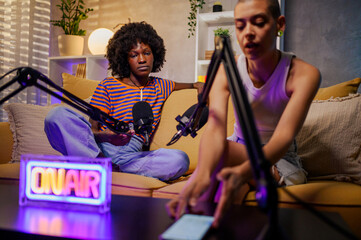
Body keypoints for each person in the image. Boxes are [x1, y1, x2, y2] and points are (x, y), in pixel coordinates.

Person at [166, 0, 321, 227]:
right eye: (240, 26)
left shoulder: (304, 74)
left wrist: (226, 172)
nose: (248, 33)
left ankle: (188, 226)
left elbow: (282, 139)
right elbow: (215, 127)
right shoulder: (226, 69)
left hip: (277, 161)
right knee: (229, 193)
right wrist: (202, 174)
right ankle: (199, 228)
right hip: (236, 149)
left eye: (258, 23)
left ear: (280, 24)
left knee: (224, 164)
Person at [44, 21, 203, 182]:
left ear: (155, 54)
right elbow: (92, 131)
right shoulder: (109, 84)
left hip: (131, 158)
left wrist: (199, 85)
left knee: (179, 159)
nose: (142, 59)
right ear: (125, 59)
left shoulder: (161, 85)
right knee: (57, 115)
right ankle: (99, 164)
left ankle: (110, 172)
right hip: (101, 148)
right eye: (134, 55)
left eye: (146, 53)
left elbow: (192, 84)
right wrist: (109, 137)